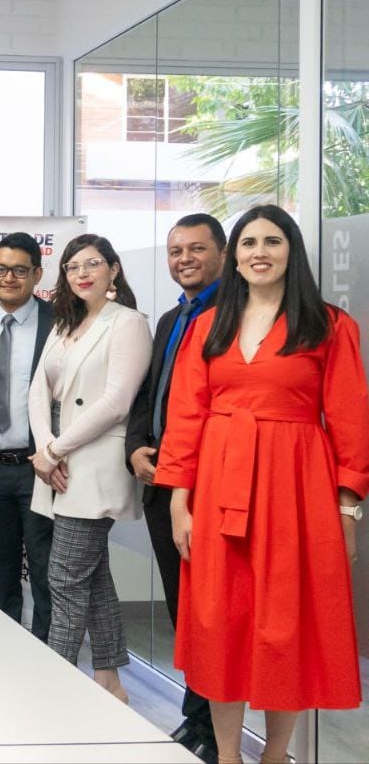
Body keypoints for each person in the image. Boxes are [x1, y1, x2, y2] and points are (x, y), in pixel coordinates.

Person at [156, 205, 369, 764]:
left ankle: (275, 756)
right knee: (219, 621)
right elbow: (185, 418)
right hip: (218, 486)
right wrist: (180, 501)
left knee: (284, 623)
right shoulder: (208, 325)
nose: (260, 252)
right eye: (249, 243)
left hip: (297, 491)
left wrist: (347, 511)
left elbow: (349, 424)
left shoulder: (329, 325)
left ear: (291, 250)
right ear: (235, 257)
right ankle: (227, 756)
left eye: (272, 241)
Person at [28, 233, 150, 704]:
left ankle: (55, 689)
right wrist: (46, 449)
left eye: (92, 263)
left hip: (94, 463)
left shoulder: (128, 322)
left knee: (64, 577)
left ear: (113, 269)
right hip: (57, 460)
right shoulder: (65, 322)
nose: (82, 273)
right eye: (72, 266)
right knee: (93, 576)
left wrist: (55, 450)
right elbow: (39, 390)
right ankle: (109, 681)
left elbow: (117, 402)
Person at [124, 214, 226, 762]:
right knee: (183, 612)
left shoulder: (232, 315)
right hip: (161, 483)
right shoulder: (170, 318)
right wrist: (135, 447)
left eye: (196, 249)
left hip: (209, 487)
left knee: (209, 612)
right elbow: (149, 396)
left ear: (223, 254)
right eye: (175, 251)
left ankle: (215, 727)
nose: (184, 259)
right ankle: (197, 716)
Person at [0, 232, 54, 642]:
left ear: (37, 274)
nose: (9, 278)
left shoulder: (58, 323)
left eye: (20, 270)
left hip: (39, 468)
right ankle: (5, 650)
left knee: (46, 569)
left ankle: (49, 653)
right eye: (1, 269)